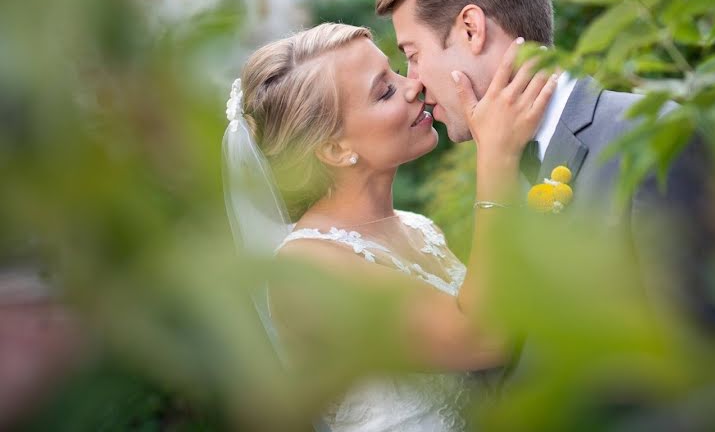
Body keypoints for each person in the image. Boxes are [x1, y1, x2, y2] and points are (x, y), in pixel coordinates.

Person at [376, 0, 715, 385]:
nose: (413, 83)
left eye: (413, 53)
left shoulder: (650, 139)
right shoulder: (497, 176)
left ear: (471, 29)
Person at [222, 22, 557, 431]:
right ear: (335, 148)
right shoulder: (307, 270)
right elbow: (482, 336)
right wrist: (496, 158)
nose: (414, 85)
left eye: (397, 69)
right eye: (384, 90)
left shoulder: (418, 228)